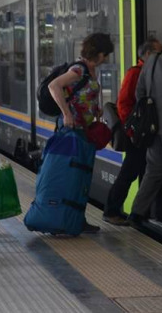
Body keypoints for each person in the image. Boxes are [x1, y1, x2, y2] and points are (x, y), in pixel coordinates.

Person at [47, 32, 115, 234]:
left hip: (84, 131)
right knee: (71, 176)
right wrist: (66, 113)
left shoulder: (92, 71)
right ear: (99, 53)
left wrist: (95, 109)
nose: (106, 59)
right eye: (106, 55)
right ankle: (61, 219)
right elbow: (54, 86)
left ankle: (77, 218)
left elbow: (84, 95)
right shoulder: (78, 69)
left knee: (81, 177)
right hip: (72, 130)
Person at [103, 38, 162, 226]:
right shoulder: (135, 73)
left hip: (147, 134)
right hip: (137, 134)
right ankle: (111, 210)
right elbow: (123, 103)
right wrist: (133, 129)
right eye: (158, 53)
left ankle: (144, 212)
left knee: (143, 170)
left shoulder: (151, 72)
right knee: (129, 172)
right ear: (147, 54)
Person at [128, 40, 162, 227]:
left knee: (153, 171)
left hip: (153, 127)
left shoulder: (150, 62)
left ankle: (137, 212)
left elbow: (140, 93)